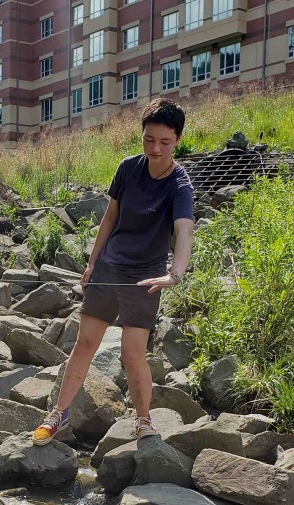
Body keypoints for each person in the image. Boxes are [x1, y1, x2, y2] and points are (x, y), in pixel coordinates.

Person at [32, 98, 194, 446]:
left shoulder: (180, 185)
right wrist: (92, 262)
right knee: (85, 342)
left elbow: (184, 230)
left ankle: (143, 420)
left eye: (165, 142)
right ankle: (57, 414)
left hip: (146, 276)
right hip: (110, 265)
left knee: (132, 353)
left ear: (178, 139)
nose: (155, 148)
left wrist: (174, 274)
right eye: (149, 139)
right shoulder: (127, 168)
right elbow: (109, 217)